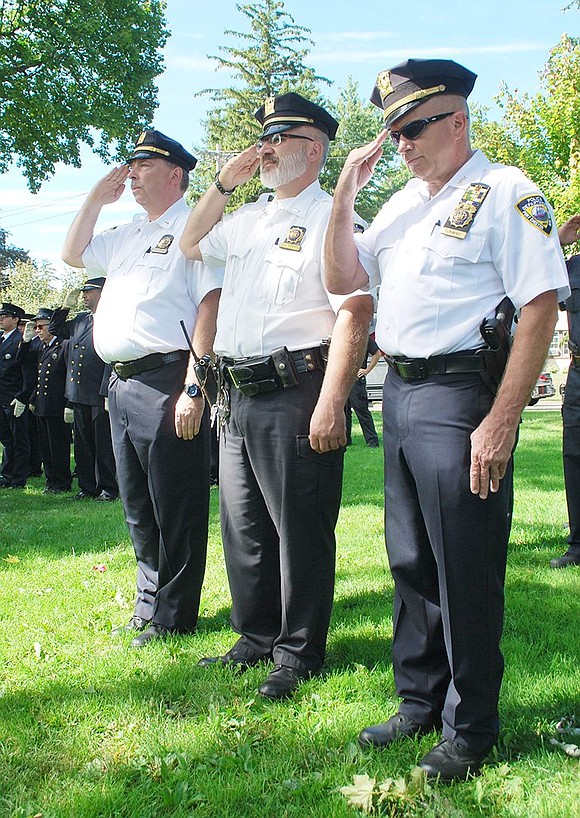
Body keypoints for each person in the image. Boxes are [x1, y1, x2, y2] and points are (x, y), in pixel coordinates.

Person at [324, 59, 570, 780]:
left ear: (457, 121)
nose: (402, 145)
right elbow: (344, 280)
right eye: (394, 133)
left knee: (464, 568)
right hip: (401, 394)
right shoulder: (400, 205)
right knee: (411, 561)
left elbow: (539, 307)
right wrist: (345, 193)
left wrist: (501, 423)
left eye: (414, 128)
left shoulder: (508, 192)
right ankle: (419, 701)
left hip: (462, 396)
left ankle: (471, 727)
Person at [179, 93, 373, 699]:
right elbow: (190, 244)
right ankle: (255, 635)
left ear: (312, 149)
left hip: (298, 388)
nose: (264, 149)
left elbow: (352, 314)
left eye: (278, 138)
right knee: (245, 527)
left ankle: (298, 651)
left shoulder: (333, 219)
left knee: (300, 528)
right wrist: (221, 184)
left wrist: (332, 401)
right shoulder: (247, 219)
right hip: (237, 394)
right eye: (263, 137)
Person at [61, 129, 221, 648]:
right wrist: (94, 199)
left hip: (167, 377)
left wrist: (195, 386)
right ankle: (147, 602)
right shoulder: (128, 233)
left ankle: (175, 614)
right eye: (130, 166)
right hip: (121, 383)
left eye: (143, 166)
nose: (132, 174)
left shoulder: (194, 227)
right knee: (136, 502)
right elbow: (72, 253)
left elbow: (208, 307)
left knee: (175, 501)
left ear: (175, 174)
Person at [49, 277, 118, 501]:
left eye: (89, 291)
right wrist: (65, 307)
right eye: (84, 292)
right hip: (78, 392)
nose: (84, 295)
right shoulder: (80, 320)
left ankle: (108, 487)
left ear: (103, 293)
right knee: (82, 443)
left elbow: (112, 357)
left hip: (98, 391)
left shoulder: (113, 318)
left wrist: (107, 389)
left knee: (102, 444)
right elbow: (55, 329)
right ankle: (87, 487)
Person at [550, 214, 580, 568]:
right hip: (578, 374)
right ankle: (577, 544)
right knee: (574, 456)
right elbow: (533, 278)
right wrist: (556, 241)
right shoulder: (571, 268)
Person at [19, 309, 72, 494]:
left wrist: (69, 403)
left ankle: (62, 482)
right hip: (42, 404)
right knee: (45, 448)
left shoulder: (63, 345)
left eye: (41, 327)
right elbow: (24, 362)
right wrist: (25, 342)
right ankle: (51, 481)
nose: (38, 331)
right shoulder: (42, 347)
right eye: (36, 327)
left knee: (58, 446)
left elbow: (68, 377)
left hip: (57, 405)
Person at [0, 302, 34, 488]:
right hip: (1, 397)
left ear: (15, 319)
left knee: (19, 440)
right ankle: (7, 474)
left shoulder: (21, 341)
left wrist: (22, 396)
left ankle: (19, 477)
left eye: (5, 316)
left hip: (13, 398)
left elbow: (26, 370)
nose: (1, 319)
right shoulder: (2, 339)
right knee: (6, 439)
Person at [345, 334, 381, 447]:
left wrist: (366, 370)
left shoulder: (364, 337)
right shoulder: (340, 336)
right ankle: (346, 441)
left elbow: (377, 353)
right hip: (343, 380)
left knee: (361, 411)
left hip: (356, 379)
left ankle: (372, 441)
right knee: (344, 412)